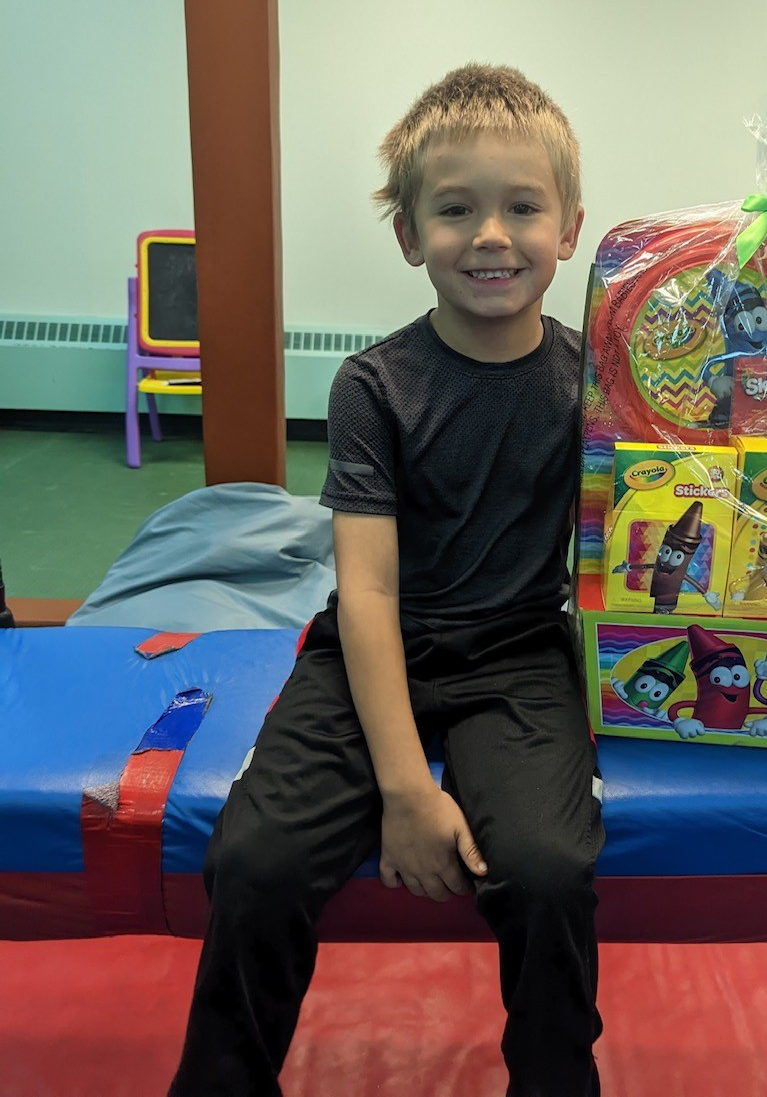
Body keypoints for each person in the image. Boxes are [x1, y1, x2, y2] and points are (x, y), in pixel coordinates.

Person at [168, 63, 604, 1097]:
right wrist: (407, 790)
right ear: (410, 234)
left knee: (547, 868)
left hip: (518, 651)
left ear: (569, 230)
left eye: (522, 207)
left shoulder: (593, 382)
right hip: (373, 645)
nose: (490, 235)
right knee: (257, 862)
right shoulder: (373, 385)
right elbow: (365, 592)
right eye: (455, 210)